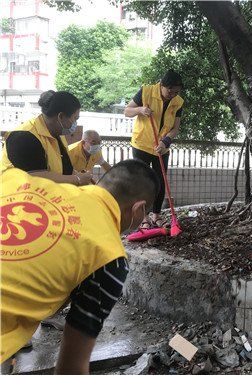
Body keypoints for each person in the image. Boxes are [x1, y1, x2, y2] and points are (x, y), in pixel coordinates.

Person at [0, 160, 159, 373]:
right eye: (145, 215)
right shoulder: (108, 256)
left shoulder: (13, 179)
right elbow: (71, 368)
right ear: (138, 210)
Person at [124, 70, 184, 228]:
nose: (172, 94)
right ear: (162, 85)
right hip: (141, 145)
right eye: (170, 90)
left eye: (176, 92)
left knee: (160, 181)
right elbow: (127, 111)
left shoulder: (178, 102)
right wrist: (140, 110)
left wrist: (165, 142)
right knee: (142, 182)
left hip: (161, 148)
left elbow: (175, 128)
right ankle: (143, 217)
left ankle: (156, 214)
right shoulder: (146, 92)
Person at [1, 90, 92, 186]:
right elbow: (37, 177)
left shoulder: (55, 135)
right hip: (17, 196)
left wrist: (80, 176)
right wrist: (76, 179)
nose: (75, 124)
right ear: (60, 116)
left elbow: (65, 168)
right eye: (75, 118)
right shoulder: (23, 137)